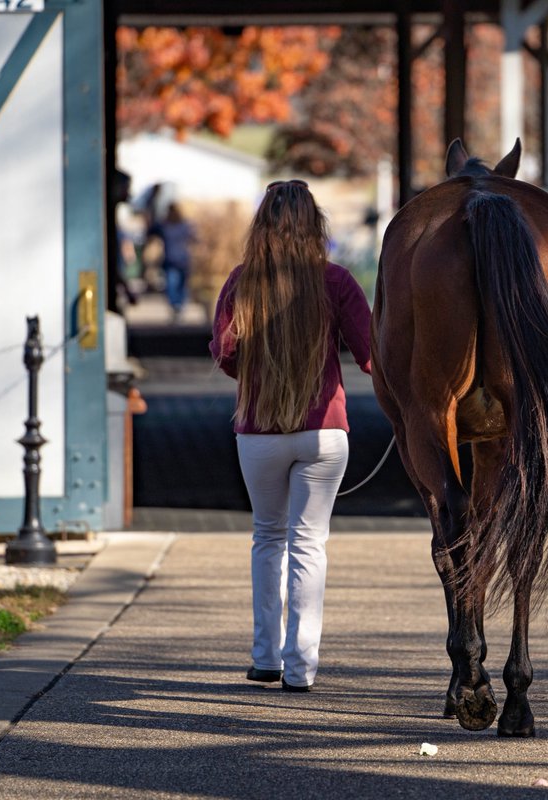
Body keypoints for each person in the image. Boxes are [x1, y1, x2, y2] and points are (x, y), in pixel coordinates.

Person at [209, 179, 372, 692]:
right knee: (309, 544)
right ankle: (300, 667)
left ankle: (265, 657)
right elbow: (371, 355)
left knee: (268, 537)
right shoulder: (337, 281)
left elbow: (226, 354)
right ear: (314, 226)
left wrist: (261, 378)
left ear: (261, 226)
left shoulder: (241, 283)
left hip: (259, 431)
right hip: (324, 432)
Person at [158, 202, 196, 319]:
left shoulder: (164, 225)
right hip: (183, 259)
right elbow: (194, 238)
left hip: (171, 259)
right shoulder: (184, 225)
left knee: (172, 284)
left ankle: (175, 305)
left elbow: (150, 231)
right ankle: (178, 305)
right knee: (180, 285)